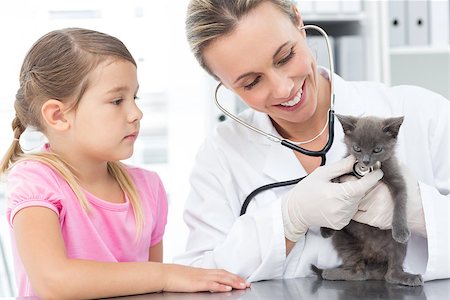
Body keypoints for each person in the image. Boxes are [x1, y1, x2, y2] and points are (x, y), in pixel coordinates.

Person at [174, 0, 450, 283]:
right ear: (225, 84)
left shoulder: (422, 113)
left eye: (285, 57)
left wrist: (418, 212)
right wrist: (287, 220)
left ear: (298, 22)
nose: (283, 88)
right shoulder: (221, 154)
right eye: (251, 82)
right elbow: (197, 275)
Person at [0, 28, 249, 298]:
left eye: (135, 97)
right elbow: (53, 282)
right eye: (117, 100)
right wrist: (165, 274)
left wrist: (163, 278)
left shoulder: (147, 188)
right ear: (58, 115)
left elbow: (152, 291)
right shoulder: (35, 181)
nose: (136, 113)